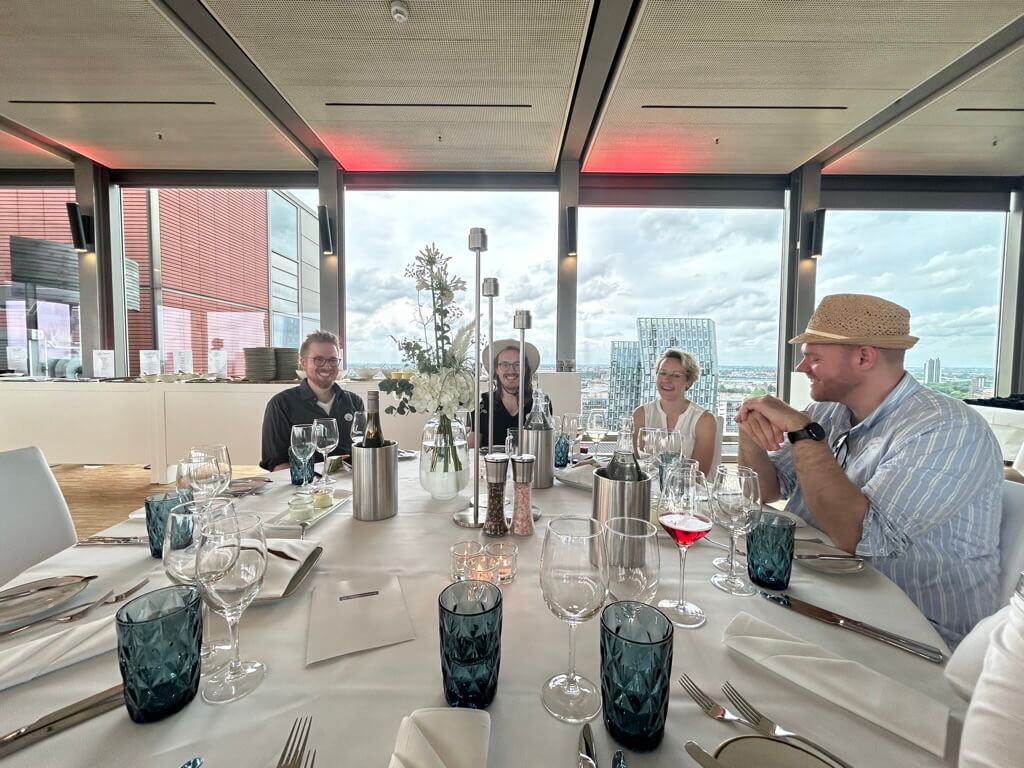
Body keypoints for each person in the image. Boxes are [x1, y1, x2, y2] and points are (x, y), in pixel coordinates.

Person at [735, 293, 1002, 648]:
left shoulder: (947, 428)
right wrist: (749, 430)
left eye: (814, 358)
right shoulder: (829, 412)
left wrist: (804, 433)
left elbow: (861, 538)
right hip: (824, 599)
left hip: (913, 636)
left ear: (864, 357)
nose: (801, 368)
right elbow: (767, 490)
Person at [260, 330, 364, 471]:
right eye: (318, 359)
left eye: (333, 360)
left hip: (350, 482)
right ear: (303, 363)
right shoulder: (280, 405)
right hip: (304, 484)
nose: (327, 366)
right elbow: (278, 465)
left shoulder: (354, 402)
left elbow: (364, 451)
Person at [632, 347, 716, 476]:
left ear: (689, 382)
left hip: (687, 488)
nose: (667, 380)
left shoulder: (705, 420)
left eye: (676, 375)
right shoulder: (640, 414)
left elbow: (698, 475)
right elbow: (634, 464)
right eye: (662, 373)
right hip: (648, 487)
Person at [467, 339, 548, 449]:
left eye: (518, 365)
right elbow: (471, 449)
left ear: (525, 370)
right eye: (504, 365)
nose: (511, 370)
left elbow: (545, 446)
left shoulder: (541, 403)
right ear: (496, 370)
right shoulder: (483, 403)